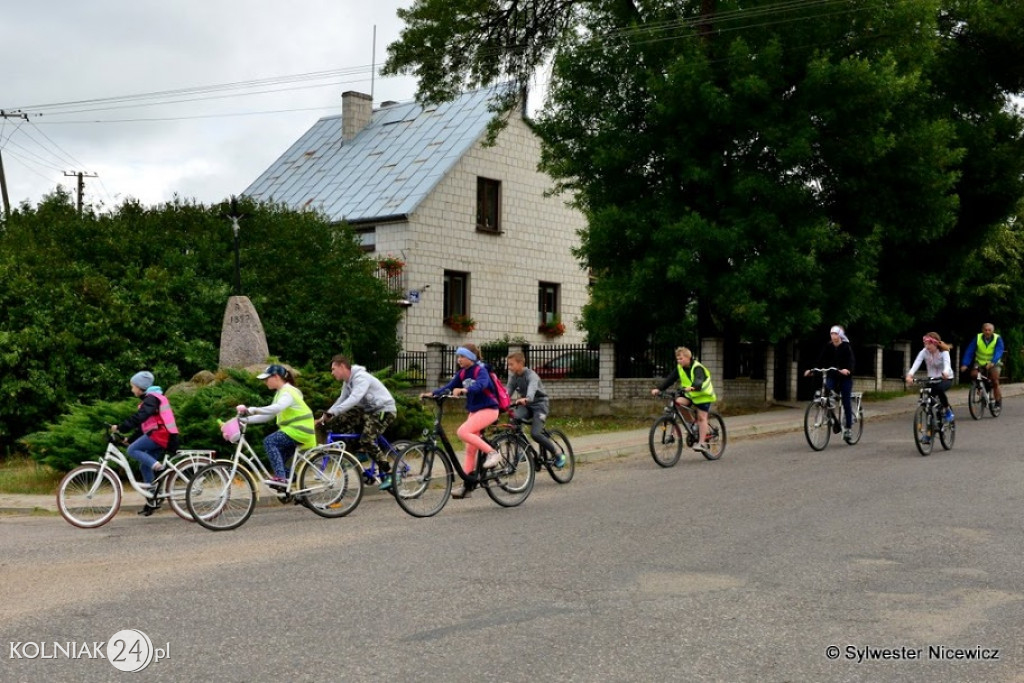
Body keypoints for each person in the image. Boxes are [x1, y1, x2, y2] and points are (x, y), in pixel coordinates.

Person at [420, 344, 501, 499]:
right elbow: (449, 387)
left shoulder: (480, 370)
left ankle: (493, 453)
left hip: (489, 409)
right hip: (475, 411)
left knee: (462, 432)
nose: (459, 360)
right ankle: (468, 486)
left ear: (470, 357)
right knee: (470, 448)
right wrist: (432, 393)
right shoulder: (463, 373)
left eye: (462, 356)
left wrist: (465, 390)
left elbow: (481, 384)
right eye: (458, 357)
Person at [317, 354, 398, 490]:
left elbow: (354, 398)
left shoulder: (361, 378)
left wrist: (334, 412)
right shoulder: (347, 382)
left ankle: (390, 473)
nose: (332, 373)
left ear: (342, 366)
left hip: (384, 410)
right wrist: (325, 417)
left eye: (333, 369)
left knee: (367, 440)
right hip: (369, 411)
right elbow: (341, 400)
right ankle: (359, 454)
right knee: (341, 422)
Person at [110, 371, 180, 516]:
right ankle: (152, 501)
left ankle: (160, 468)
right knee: (145, 466)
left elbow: (140, 417)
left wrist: (121, 427)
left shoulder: (151, 399)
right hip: (160, 434)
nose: (132, 389)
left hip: (162, 435)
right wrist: (128, 439)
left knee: (132, 450)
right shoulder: (150, 400)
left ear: (140, 387)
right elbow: (144, 427)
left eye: (133, 386)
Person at [237, 364, 317, 489]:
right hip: (295, 431)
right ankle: (298, 486)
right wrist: (245, 420)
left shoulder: (287, 392)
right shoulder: (281, 392)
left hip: (300, 430)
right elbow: (268, 416)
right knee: (277, 462)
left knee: (269, 441)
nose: (264, 382)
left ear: (276, 377)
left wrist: (254, 409)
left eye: (266, 378)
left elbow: (277, 408)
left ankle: (281, 481)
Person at [651, 347, 718, 453]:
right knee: (678, 403)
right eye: (677, 359)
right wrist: (659, 389)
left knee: (701, 417)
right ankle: (693, 425)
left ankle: (702, 443)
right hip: (690, 394)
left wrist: (693, 387)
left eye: (681, 358)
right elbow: (670, 379)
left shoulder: (697, 367)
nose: (679, 361)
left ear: (688, 357)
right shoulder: (679, 368)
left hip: (702, 395)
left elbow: (698, 380)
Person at [505, 351, 565, 468]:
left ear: (520, 363)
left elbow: (532, 388)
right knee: (514, 419)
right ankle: (521, 451)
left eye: (511, 364)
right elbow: (507, 392)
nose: (509, 367)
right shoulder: (514, 378)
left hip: (540, 406)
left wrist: (527, 398)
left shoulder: (531, 375)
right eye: (509, 364)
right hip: (527, 406)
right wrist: (500, 404)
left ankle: (557, 453)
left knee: (536, 434)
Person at [803, 325, 856, 440]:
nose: (833, 336)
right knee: (825, 394)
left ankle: (848, 429)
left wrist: (848, 370)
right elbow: (820, 360)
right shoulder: (829, 347)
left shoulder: (846, 347)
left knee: (846, 400)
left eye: (836, 334)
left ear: (840, 335)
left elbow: (851, 361)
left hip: (844, 378)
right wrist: (812, 370)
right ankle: (833, 420)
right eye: (831, 334)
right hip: (832, 375)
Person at [905, 332, 955, 425]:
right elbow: (916, 364)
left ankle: (947, 409)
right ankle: (930, 426)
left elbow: (947, 365)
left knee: (939, 389)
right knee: (924, 394)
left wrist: (946, 372)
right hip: (931, 378)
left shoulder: (944, 352)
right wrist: (909, 375)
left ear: (935, 343)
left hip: (945, 378)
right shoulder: (924, 352)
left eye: (929, 344)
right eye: (925, 344)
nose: (927, 346)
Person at [960, 322, 1004, 408]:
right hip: (980, 362)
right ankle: (982, 388)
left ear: (993, 331)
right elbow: (970, 351)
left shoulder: (997, 338)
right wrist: (965, 364)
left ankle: (997, 402)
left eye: (989, 330)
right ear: (982, 330)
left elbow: (999, 351)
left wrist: (992, 362)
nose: (987, 332)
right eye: (985, 330)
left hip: (994, 363)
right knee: (974, 374)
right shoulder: (978, 337)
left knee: (995, 381)